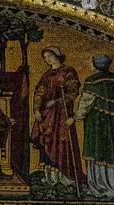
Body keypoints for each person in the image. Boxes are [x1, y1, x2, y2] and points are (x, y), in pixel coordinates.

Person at [70, 55, 114, 197]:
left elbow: (86, 103)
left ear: (95, 65)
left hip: (96, 124)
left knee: (96, 149)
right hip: (111, 125)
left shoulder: (92, 82)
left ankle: (98, 184)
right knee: (112, 151)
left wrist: (75, 118)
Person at [30, 48, 83, 191]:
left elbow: (73, 92)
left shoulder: (68, 71)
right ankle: (49, 176)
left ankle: (64, 176)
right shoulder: (46, 75)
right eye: (45, 57)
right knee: (46, 140)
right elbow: (39, 93)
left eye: (49, 56)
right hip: (47, 113)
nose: (47, 59)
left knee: (61, 141)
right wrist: (36, 109)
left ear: (58, 55)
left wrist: (57, 101)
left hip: (62, 113)